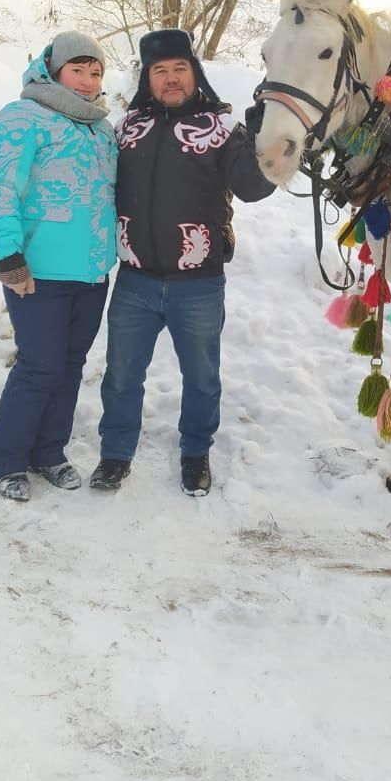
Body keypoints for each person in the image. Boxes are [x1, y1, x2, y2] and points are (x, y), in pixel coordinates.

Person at [91, 27, 275, 497]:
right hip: (134, 280)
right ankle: (115, 454)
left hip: (198, 283)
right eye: (160, 71)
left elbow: (254, 188)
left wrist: (264, 138)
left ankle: (195, 453)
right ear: (146, 78)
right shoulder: (126, 129)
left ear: (195, 74)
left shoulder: (221, 129)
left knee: (201, 377)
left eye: (180, 69)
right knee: (121, 375)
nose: (171, 79)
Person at [0, 31, 118, 501]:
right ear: (54, 69)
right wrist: (9, 256)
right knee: (38, 366)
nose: (87, 80)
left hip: (92, 271)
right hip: (39, 272)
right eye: (78, 69)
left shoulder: (101, 127)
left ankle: (48, 452)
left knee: (71, 364)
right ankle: (6, 461)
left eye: (96, 73)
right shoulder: (23, 117)